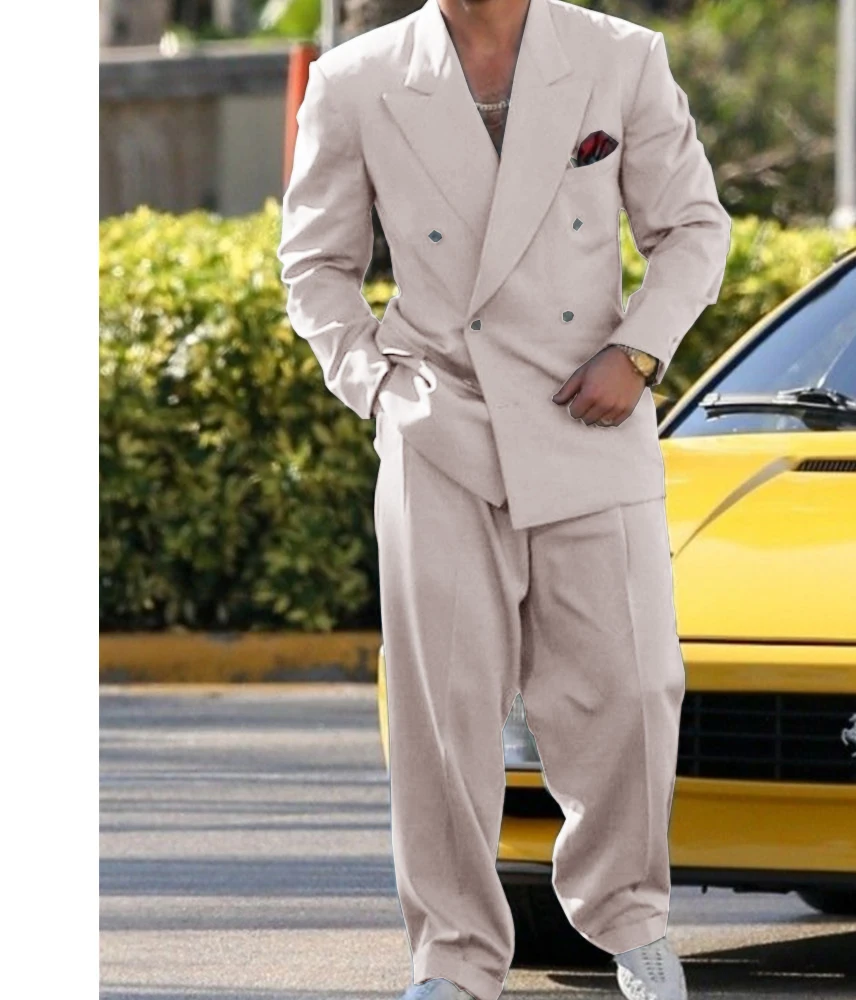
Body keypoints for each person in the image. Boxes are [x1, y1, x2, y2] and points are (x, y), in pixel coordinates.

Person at [277, 1, 731, 997]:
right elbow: (314, 265)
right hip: (439, 422)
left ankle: (631, 922)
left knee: (634, 689)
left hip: (591, 411)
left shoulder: (620, 56)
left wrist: (639, 349)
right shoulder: (356, 79)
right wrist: (379, 387)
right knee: (442, 712)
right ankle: (451, 960)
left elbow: (694, 228)